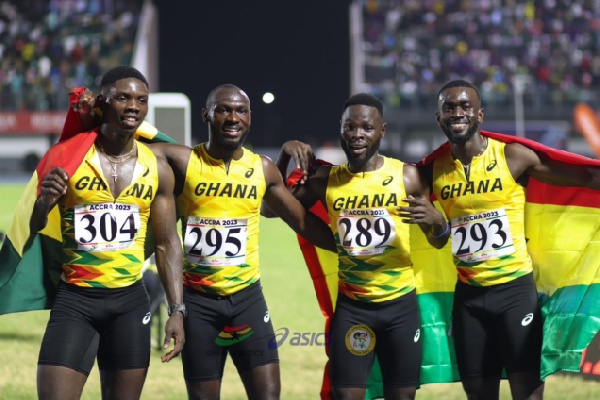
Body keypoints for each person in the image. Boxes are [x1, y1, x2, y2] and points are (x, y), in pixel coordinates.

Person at [147, 84, 337, 400]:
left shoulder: (260, 168)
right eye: (224, 109)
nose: (233, 118)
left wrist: (350, 250)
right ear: (206, 115)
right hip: (199, 304)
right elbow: (129, 146)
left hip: (247, 302)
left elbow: (298, 220)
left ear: (250, 118)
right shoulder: (182, 162)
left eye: (241, 111)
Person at [421, 79, 600, 400]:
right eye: (449, 107)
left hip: (515, 294)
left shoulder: (513, 157)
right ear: (439, 118)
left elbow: (586, 177)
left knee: (528, 395)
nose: (457, 113)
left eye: (465, 106)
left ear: (480, 115)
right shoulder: (433, 170)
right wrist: (438, 224)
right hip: (469, 300)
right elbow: (436, 240)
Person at [271, 93, 448, 400]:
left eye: (366, 127)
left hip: (400, 309)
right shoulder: (325, 180)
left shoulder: (406, 177)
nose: (357, 134)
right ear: (340, 130)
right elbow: (271, 209)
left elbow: (439, 240)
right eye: (349, 127)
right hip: (354, 312)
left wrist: (438, 222)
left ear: (382, 131)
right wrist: (284, 157)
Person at [29, 66, 185, 400]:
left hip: (130, 302)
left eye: (141, 100)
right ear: (103, 102)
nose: (133, 106)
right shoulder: (66, 157)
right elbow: (35, 226)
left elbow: (167, 241)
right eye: (123, 98)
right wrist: (44, 202)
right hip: (75, 300)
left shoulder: (156, 167)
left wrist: (177, 310)